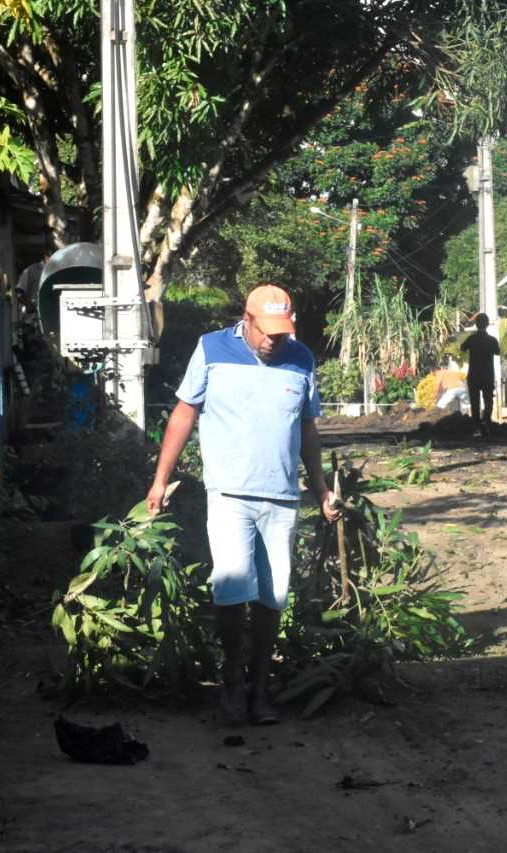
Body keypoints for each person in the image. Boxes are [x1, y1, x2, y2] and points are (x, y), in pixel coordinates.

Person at [146, 284, 340, 726]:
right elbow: (183, 413)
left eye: (282, 332)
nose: (275, 340)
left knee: (273, 596)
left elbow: (308, 429)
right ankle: (231, 682)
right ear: (246, 321)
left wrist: (321, 488)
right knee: (232, 588)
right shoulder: (212, 349)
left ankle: (260, 687)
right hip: (230, 494)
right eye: (267, 332)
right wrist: (160, 479)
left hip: (282, 498)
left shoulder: (301, 357)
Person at [459, 312, 500, 434]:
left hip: (474, 375)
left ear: (476, 324)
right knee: (488, 400)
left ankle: (477, 425)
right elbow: (497, 352)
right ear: (487, 324)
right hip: (487, 375)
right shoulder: (492, 340)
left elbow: (462, 347)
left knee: (475, 401)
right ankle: (486, 421)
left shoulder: (472, 339)